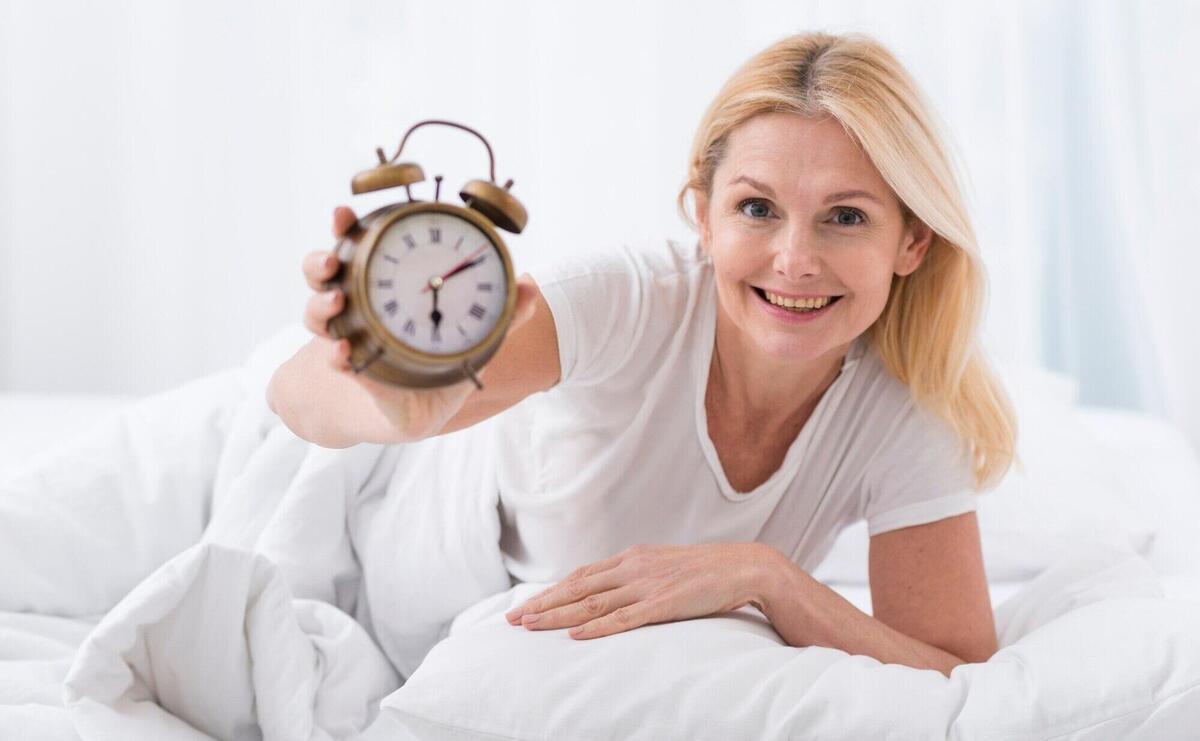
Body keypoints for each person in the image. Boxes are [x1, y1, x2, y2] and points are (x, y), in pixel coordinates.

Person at [267, 31, 1016, 678]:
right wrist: (390, 406)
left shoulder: (906, 410)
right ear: (703, 215)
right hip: (399, 587)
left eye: (845, 217)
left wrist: (766, 577)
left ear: (912, 242)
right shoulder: (622, 299)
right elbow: (291, 393)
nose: (794, 260)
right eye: (757, 208)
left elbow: (955, 670)